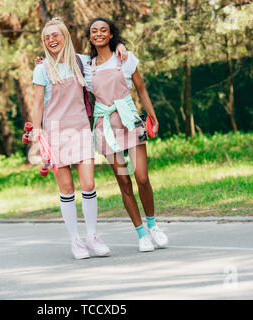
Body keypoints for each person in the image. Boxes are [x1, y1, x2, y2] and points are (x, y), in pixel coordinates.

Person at [31, 18, 127, 259]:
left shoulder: (81, 62)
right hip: (54, 133)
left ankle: (92, 237)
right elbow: (36, 106)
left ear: (64, 36)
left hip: (81, 129)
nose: (51, 39)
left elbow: (105, 58)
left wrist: (119, 47)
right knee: (66, 189)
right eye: (47, 36)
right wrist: (36, 135)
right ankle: (75, 241)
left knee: (88, 185)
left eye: (55, 35)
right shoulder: (41, 69)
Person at [85, 17, 169, 252]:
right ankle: (141, 234)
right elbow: (61, 61)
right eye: (94, 31)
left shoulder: (125, 58)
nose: (99, 33)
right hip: (106, 130)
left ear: (111, 35)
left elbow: (141, 88)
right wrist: (41, 62)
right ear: (90, 37)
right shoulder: (86, 67)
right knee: (124, 180)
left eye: (104, 30)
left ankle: (153, 225)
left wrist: (153, 116)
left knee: (142, 177)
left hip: (130, 123)